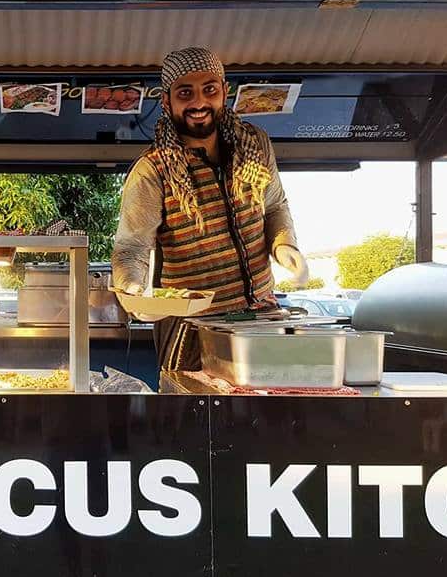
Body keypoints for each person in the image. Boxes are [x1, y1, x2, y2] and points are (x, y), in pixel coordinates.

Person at [112, 47, 309, 373]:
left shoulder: (256, 144)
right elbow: (131, 248)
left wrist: (284, 244)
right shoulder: (153, 170)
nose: (199, 102)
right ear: (167, 101)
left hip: (261, 319)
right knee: (193, 418)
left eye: (209, 90)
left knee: (269, 414)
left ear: (225, 92)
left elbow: (274, 206)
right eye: (185, 93)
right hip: (193, 330)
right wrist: (133, 292)